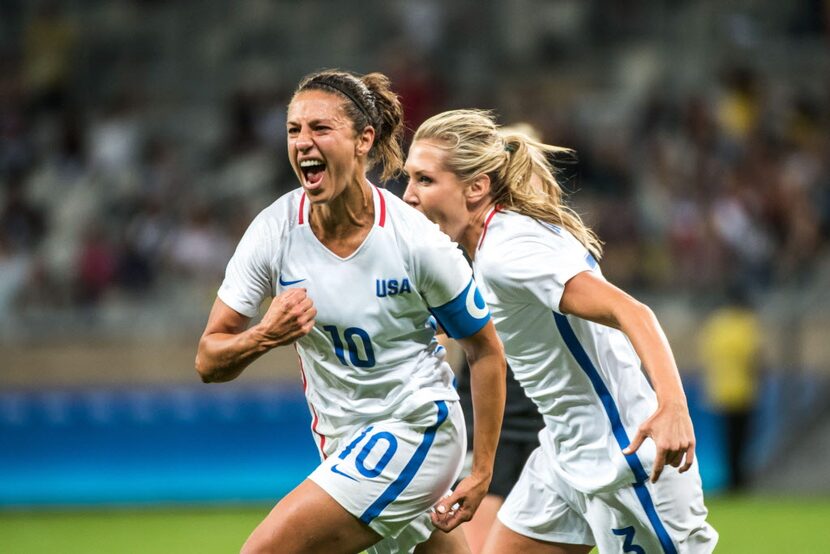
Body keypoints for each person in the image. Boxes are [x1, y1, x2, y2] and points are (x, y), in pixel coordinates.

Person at [195, 73, 506, 554]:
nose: (303, 142)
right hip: (343, 444)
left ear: (364, 140)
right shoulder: (274, 232)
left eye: (320, 128)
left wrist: (481, 469)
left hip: (417, 428)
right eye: (293, 129)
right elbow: (208, 359)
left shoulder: (415, 240)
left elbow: (485, 350)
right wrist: (264, 336)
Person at [403, 109, 718, 553]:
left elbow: (633, 312)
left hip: (623, 459)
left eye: (424, 180)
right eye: (409, 178)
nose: (408, 195)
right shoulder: (483, 247)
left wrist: (672, 405)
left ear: (476, 188)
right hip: (563, 455)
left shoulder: (509, 251)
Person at [698, 285, 762, 492]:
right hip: (743, 391)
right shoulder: (746, 323)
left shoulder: (717, 324)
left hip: (720, 391)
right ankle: (739, 481)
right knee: (742, 440)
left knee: (726, 441)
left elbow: (708, 357)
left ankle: (731, 481)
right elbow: (754, 358)